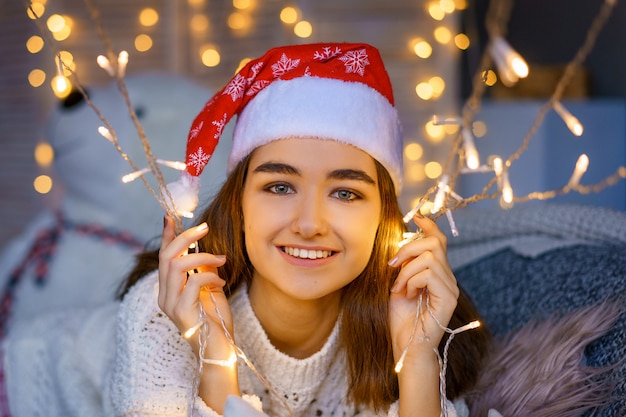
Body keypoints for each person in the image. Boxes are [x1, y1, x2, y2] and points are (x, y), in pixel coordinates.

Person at [110, 42, 491, 417]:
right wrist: (215, 354)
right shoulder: (165, 307)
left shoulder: (412, 314)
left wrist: (417, 358)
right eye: (279, 187)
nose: (309, 225)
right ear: (238, 202)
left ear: (384, 216)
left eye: (345, 193)